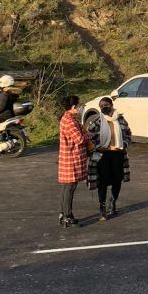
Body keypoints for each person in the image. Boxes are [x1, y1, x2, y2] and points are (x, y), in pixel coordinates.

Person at [87, 96, 131, 221]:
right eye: (101, 106)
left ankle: (113, 202)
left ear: (111, 105)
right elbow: (89, 138)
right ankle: (102, 207)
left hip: (118, 154)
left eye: (105, 105)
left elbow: (128, 134)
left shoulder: (120, 120)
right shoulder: (97, 121)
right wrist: (97, 147)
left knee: (117, 180)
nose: (103, 108)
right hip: (103, 155)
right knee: (103, 182)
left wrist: (124, 145)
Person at [57, 95, 91, 227]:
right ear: (73, 107)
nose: (81, 106)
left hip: (70, 157)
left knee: (67, 187)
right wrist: (89, 135)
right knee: (70, 187)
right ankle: (68, 216)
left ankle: (63, 213)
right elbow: (79, 139)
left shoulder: (68, 118)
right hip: (71, 158)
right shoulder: (69, 121)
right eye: (79, 104)